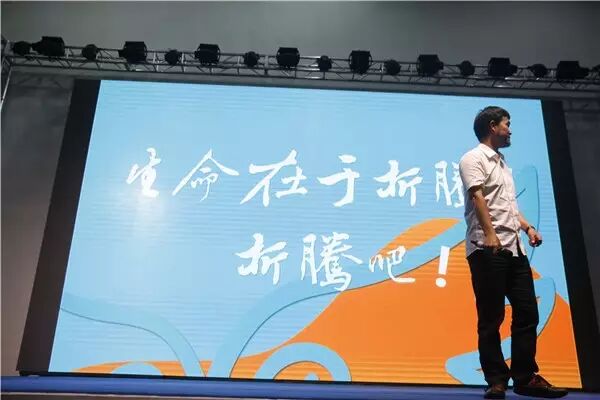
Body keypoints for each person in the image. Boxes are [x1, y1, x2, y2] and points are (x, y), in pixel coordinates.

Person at [458, 106, 568, 399]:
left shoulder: (503, 164)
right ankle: (496, 380)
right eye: (507, 124)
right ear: (492, 126)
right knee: (491, 317)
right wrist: (490, 234)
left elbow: (508, 206)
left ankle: (524, 377)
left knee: (527, 312)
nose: (510, 130)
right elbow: (477, 197)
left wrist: (527, 227)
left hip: (514, 249)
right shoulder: (473, 158)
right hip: (487, 249)